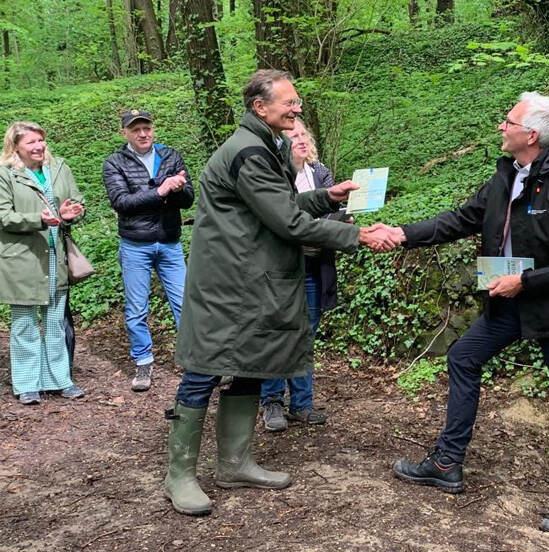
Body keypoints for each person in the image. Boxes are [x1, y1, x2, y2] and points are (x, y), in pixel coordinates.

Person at [377, 92, 549, 539]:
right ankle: (447, 463)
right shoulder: (506, 177)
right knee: (464, 356)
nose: (501, 127)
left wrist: (526, 280)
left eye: (509, 121)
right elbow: (461, 219)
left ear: (531, 134)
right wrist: (401, 233)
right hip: (508, 301)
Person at [164, 69, 394, 516]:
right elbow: (287, 223)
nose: (297, 108)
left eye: (297, 100)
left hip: (253, 281)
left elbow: (279, 206)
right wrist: (357, 236)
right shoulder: (248, 151)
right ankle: (180, 476)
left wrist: (326, 197)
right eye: (289, 102)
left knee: (251, 363)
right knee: (204, 370)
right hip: (227, 285)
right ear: (260, 107)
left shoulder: (267, 145)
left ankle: (234, 464)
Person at [259, 117, 349, 431]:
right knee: (277, 332)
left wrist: (345, 222)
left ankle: (301, 403)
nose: (298, 140)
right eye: (291, 136)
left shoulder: (320, 173)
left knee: (305, 335)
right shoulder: (271, 175)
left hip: (313, 265)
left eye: (301, 134)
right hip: (280, 268)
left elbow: (331, 213)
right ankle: (271, 402)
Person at [102, 110, 194, 392]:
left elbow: (188, 200)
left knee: (186, 303)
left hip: (169, 241)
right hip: (135, 245)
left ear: (153, 129)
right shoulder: (115, 162)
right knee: (136, 309)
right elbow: (122, 202)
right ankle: (143, 362)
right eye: (136, 129)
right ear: (125, 133)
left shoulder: (170, 156)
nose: (143, 134)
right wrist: (161, 191)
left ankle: (194, 361)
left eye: (147, 128)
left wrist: (177, 188)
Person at [0, 121, 86, 405]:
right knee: (24, 322)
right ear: (16, 147)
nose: (38, 147)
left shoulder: (58, 168)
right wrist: (38, 218)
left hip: (56, 255)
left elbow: (76, 200)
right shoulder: (6, 174)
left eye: (40, 141)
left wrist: (72, 211)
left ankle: (59, 379)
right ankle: (27, 384)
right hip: (22, 259)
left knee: (54, 322)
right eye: (30, 143)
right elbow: (4, 216)